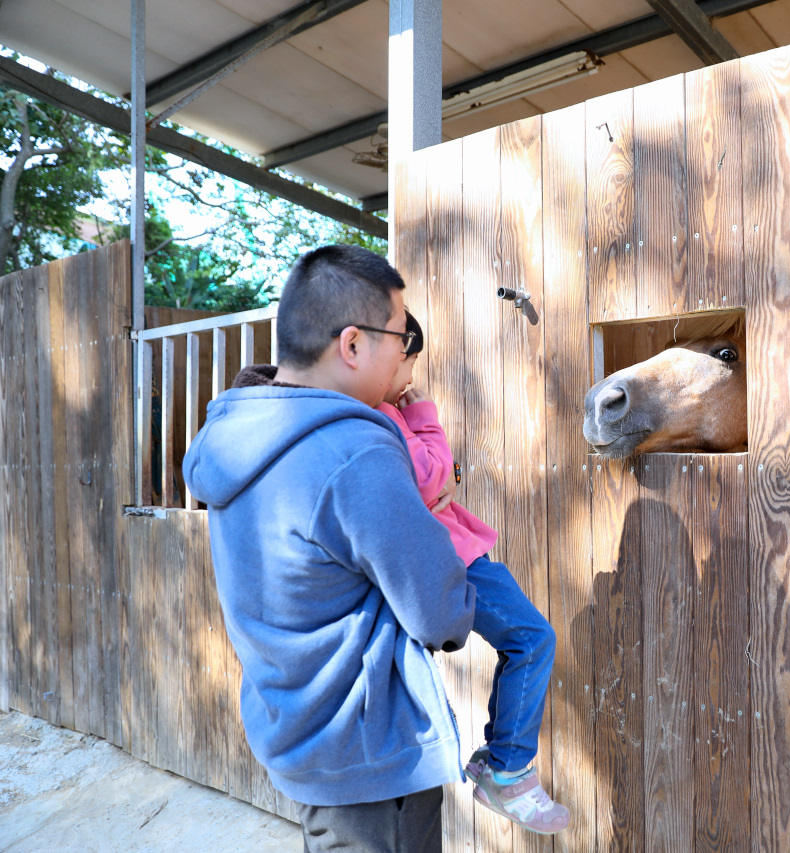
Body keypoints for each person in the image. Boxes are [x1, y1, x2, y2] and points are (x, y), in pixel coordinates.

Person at [183, 245, 475, 853]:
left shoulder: (234, 433)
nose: (405, 352)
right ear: (351, 345)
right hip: (369, 752)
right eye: (402, 334)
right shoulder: (355, 451)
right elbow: (438, 612)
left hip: (297, 729)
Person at [374, 310, 570, 835]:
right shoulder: (386, 414)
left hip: (453, 550)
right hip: (455, 556)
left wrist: (443, 474)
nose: (412, 378)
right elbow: (431, 478)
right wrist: (429, 422)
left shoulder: (378, 413)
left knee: (527, 640)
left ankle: (500, 762)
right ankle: (507, 769)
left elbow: (441, 480)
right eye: (409, 363)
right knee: (532, 638)